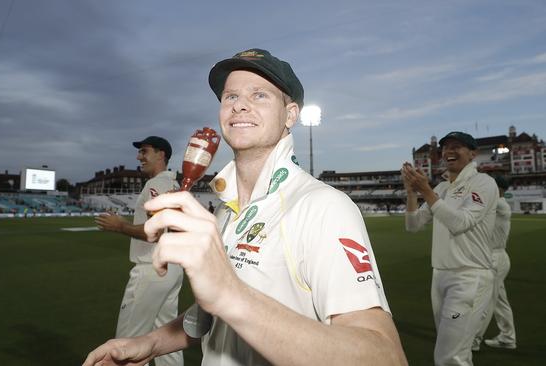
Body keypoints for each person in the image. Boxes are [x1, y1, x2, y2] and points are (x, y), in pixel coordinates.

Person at [84, 48, 407, 366]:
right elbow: (210, 318)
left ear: (291, 115)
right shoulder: (227, 210)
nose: (240, 105)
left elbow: (384, 356)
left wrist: (231, 294)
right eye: (230, 96)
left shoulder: (323, 207)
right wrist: (149, 343)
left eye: (259, 95)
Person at [402, 131, 498, 366]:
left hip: (469, 275)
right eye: (446, 148)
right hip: (441, 275)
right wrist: (412, 192)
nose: (449, 151)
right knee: (452, 350)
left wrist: (426, 191)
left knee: (450, 356)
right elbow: (413, 225)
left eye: (457, 146)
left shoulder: (483, 183)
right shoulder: (444, 187)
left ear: (473, 154)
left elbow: (460, 223)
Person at [94, 136, 183, 366]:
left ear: (161, 154)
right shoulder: (171, 184)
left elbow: (157, 229)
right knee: (167, 343)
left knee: (127, 342)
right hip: (172, 267)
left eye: (144, 151)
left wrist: (120, 226)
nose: (138, 157)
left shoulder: (157, 184)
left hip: (152, 269)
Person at [472, 175, 517, 351]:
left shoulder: (500, 204)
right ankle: (507, 337)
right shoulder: (495, 204)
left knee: (485, 301)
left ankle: (474, 340)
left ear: (498, 189)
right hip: (493, 257)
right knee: (499, 301)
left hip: (495, 259)